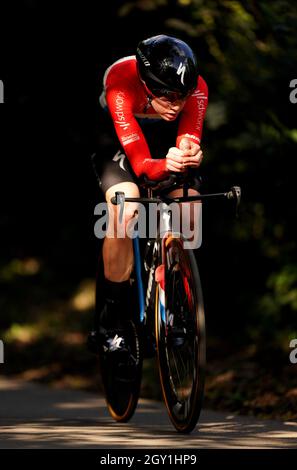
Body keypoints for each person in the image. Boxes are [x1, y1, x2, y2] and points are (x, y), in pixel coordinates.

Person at [88, 34, 208, 357]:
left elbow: (187, 141)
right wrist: (163, 164)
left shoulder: (197, 89)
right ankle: (111, 321)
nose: (178, 104)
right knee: (125, 207)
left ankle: (173, 300)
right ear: (146, 84)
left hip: (162, 144)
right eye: (168, 96)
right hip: (121, 146)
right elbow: (141, 166)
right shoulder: (120, 83)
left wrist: (188, 153)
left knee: (190, 208)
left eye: (183, 95)